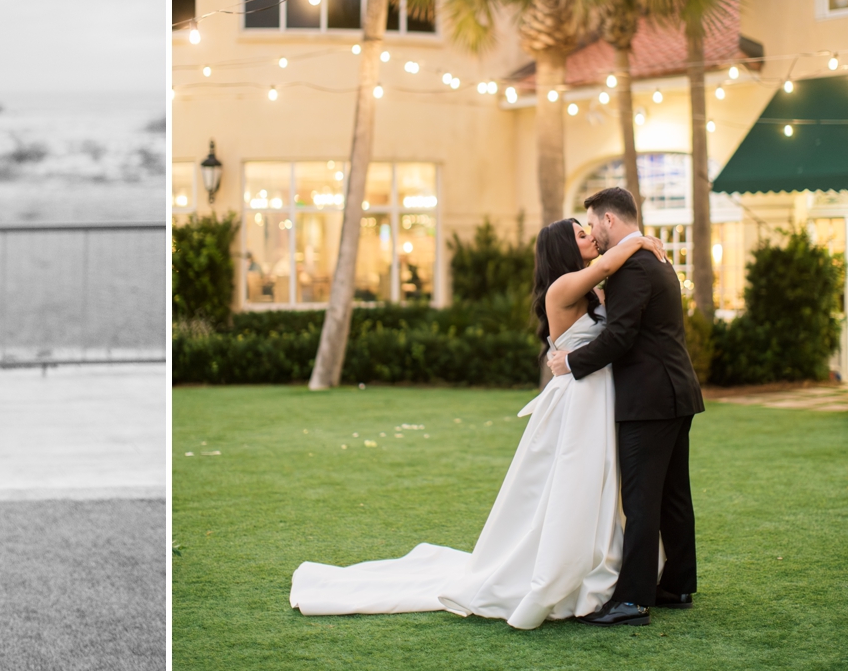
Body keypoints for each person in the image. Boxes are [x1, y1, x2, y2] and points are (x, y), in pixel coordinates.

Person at [290, 213, 667, 629]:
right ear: (563, 248)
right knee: (573, 485)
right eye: (581, 234)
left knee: (599, 485)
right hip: (578, 400)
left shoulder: (592, 290)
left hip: (597, 395)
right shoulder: (563, 287)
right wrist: (639, 240)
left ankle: (603, 567)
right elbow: (605, 265)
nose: (590, 237)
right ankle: (561, 570)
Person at [547, 186, 704, 626]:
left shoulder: (634, 266)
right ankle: (676, 585)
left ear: (609, 220)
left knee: (641, 498)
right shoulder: (650, 257)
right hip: (673, 393)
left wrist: (569, 363)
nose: (593, 233)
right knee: (672, 493)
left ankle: (632, 600)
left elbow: (621, 337)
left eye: (593, 223)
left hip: (650, 399)